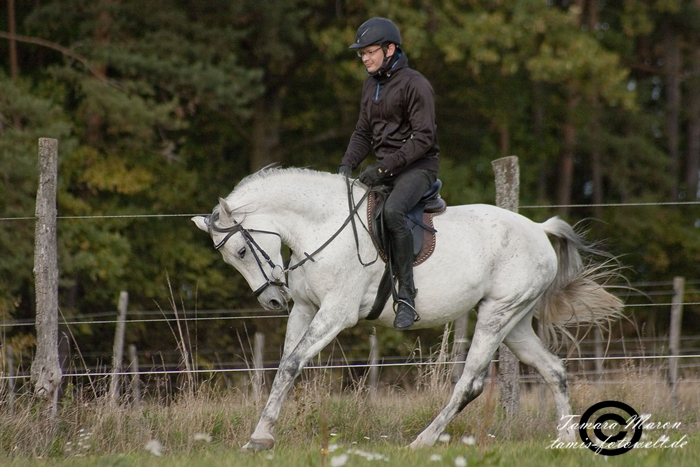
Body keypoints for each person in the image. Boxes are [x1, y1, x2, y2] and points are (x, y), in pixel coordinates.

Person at [338, 17, 440, 330]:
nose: (365, 58)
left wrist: (383, 168)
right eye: (362, 54)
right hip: (387, 171)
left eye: (370, 52)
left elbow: (424, 138)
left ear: (390, 49)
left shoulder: (415, 84)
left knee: (394, 210)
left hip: (417, 167)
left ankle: (406, 296)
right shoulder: (371, 86)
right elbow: (362, 133)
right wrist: (345, 166)